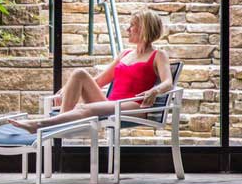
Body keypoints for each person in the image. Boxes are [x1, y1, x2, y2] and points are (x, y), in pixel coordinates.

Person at [9, 9, 174, 132]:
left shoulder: (158, 55)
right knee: (80, 73)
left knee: (83, 109)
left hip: (134, 106)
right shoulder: (124, 54)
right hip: (110, 103)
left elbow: (168, 82)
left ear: (145, 29)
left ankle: (39, 125)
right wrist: (65, 90)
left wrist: (155, 90)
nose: (128, 29)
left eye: (133, 26)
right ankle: (63, 127)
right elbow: (98, 81)